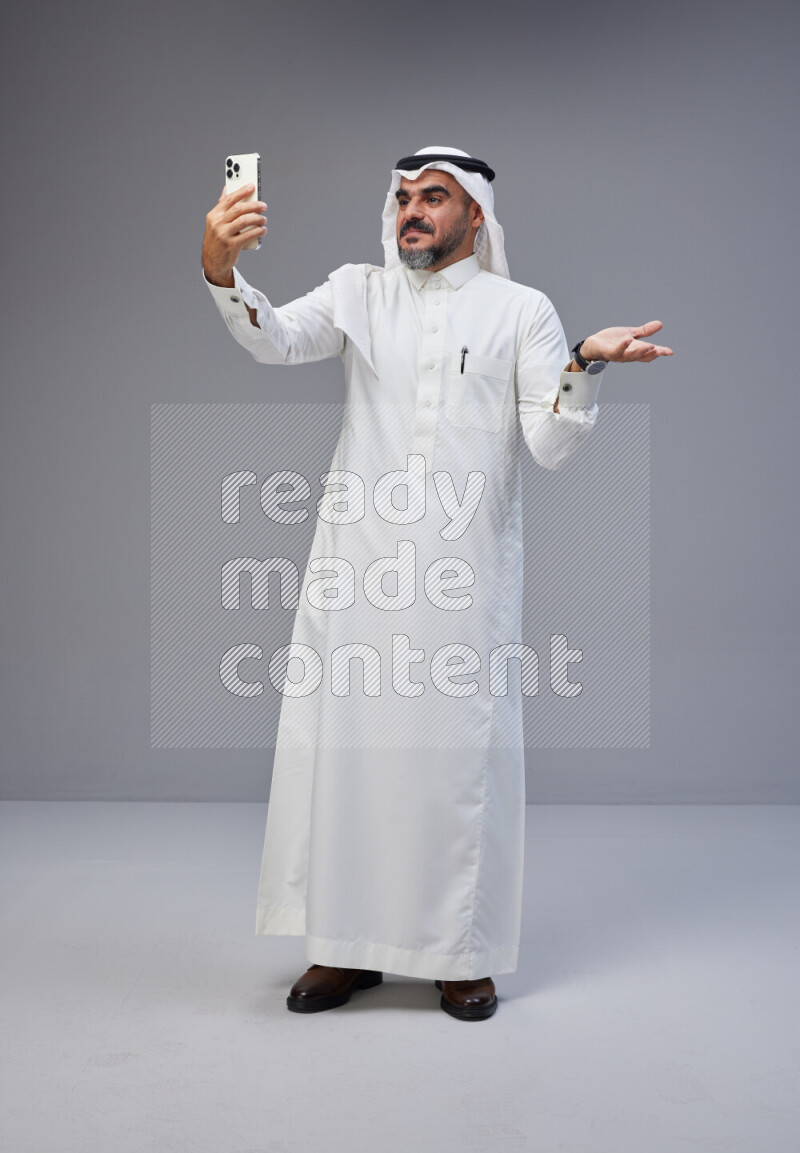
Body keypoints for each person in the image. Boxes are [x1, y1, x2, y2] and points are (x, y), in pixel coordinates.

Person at [201, 146, 672, 1021]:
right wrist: (222, 269)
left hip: (464, 577)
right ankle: (343, 948)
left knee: (455, 762)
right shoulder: (358, 291)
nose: (411, 210)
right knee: (352, 755)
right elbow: (278, 338)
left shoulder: (521, 311)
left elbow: (550, 443)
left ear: (476, 217)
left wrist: (584, 361)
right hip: (360, 566)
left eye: (434, 198)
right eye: (404, 197)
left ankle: (460, 954)